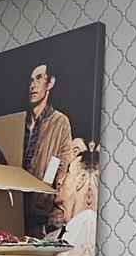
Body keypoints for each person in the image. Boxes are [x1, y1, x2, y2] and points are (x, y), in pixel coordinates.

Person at [20, 61, 92, 239]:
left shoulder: (60, 122)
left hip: (40, 209)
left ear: (50, 83)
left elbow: (62, 168)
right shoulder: (21, 122)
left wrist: (53, 206)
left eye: (39, 78)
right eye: (31, 80)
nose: (33, 85)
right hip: (16, 205)